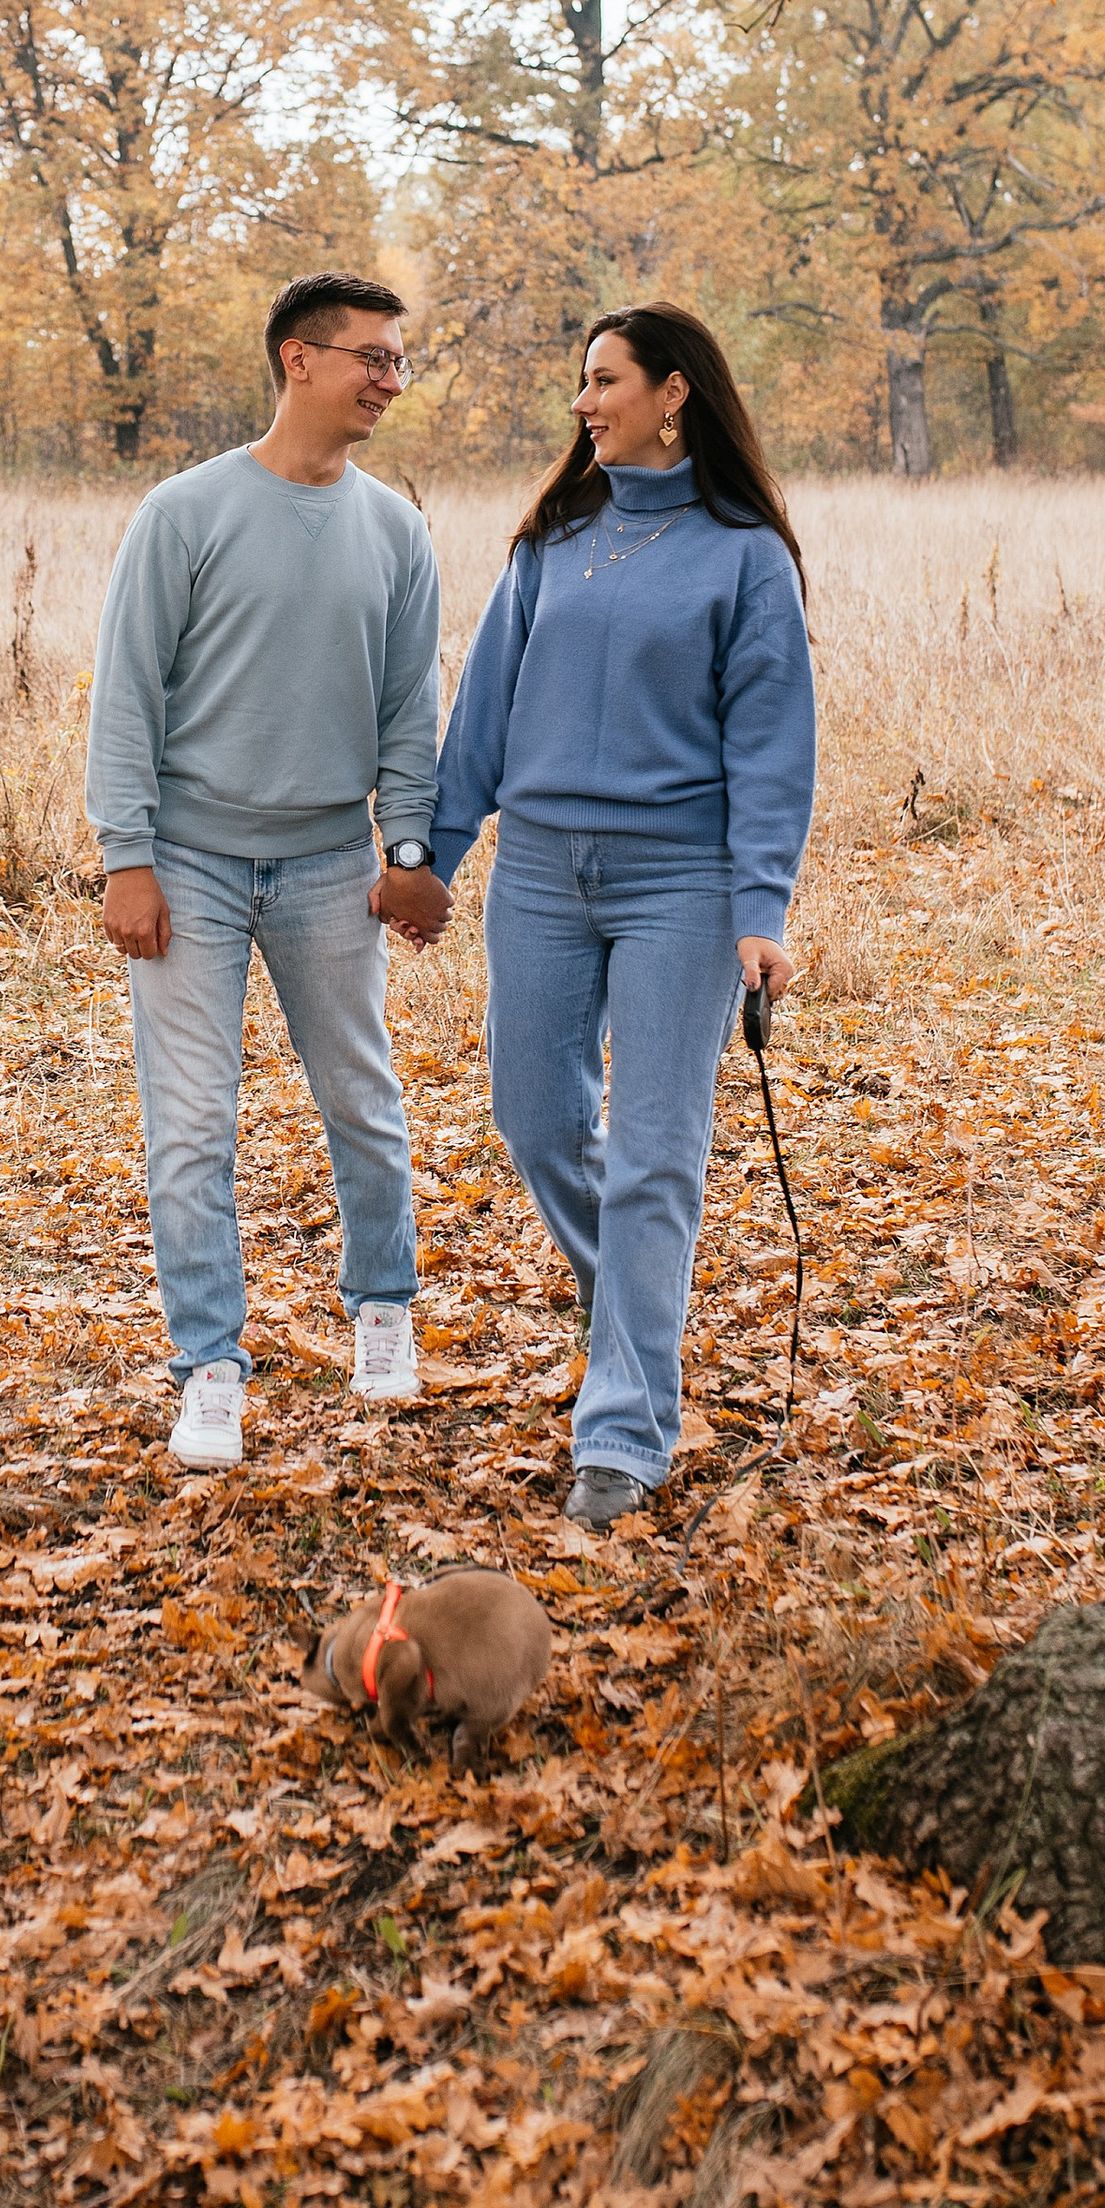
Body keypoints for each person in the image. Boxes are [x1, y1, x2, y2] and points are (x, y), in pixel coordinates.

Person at [430, 305, 814, 1531]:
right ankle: (639, 1319)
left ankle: (623, 1434)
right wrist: (433, 855)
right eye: (581, 384)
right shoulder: (551, 536)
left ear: (673, 394)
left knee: (656, 1154)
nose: (584, 403)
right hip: (539, 870)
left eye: (603, 381)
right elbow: (485, 707)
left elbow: (771, 745)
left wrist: (761, 907)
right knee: (533, 1115)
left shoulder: (745, 554)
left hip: (680, 885)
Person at [86, 273, 452, 1471]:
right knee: (189, 1127)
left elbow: (410, 714)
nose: (390, 380)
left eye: (399, 361)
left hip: (327, 864)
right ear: (300, 360)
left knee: (361, 1098)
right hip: (186, 861)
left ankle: (383, 1310)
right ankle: (208, 1370)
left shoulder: (395, 530)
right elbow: (128, 693)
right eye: (372, 359)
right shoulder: (183, 512)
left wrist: (406, 852)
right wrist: (125, 857)